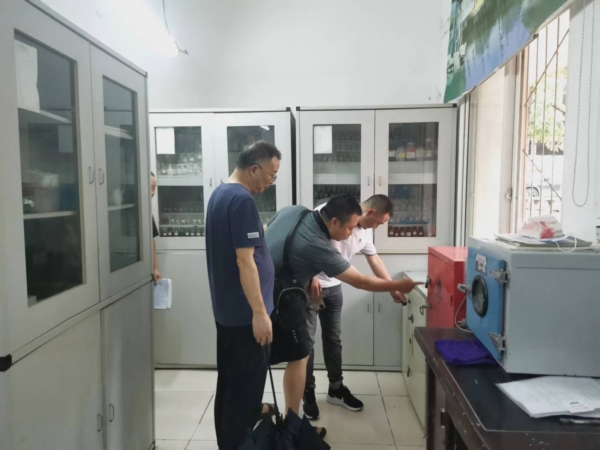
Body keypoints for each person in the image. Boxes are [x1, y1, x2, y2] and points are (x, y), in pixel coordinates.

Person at [264, 195, 422, 433]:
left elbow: (265, 231)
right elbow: (358, 281)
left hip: (299, 289)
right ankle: (299, 410)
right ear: (335, 221)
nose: (350, 235)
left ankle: (328, 394)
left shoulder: (296, 211)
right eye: (348, 228)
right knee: (302, 351)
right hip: (297, 292)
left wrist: (391, 285)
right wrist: (397, 285)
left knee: (325, 342)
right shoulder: (319, 236)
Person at [205, 141, 281, 450]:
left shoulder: (220, 194)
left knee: (229, 386)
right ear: (254, 169)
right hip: (245, 316)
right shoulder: (242, 200)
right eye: (271, 175)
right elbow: (244, 261)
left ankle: (228, 443)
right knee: (244, 393)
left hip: (229, 313)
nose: (271, 181)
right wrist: (260, 313)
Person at [303, 194, 404, 420]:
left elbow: (373, 258)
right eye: (378, 223)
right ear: (370, 212)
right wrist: (309, 275)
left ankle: (336, 388)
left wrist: (391, 286)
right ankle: (307, 392)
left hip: (334, 287)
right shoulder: (328, 211)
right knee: (306, 342)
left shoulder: (365, 230)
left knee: (333, 339)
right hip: (310, 287)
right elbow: (304, 243)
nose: (376, 227)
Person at [150, 172, 161, 283]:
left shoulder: (146, 210)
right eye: (151, 187)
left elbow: (151, 239)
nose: (153, 193)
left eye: (155, 188)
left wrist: (155, 268)